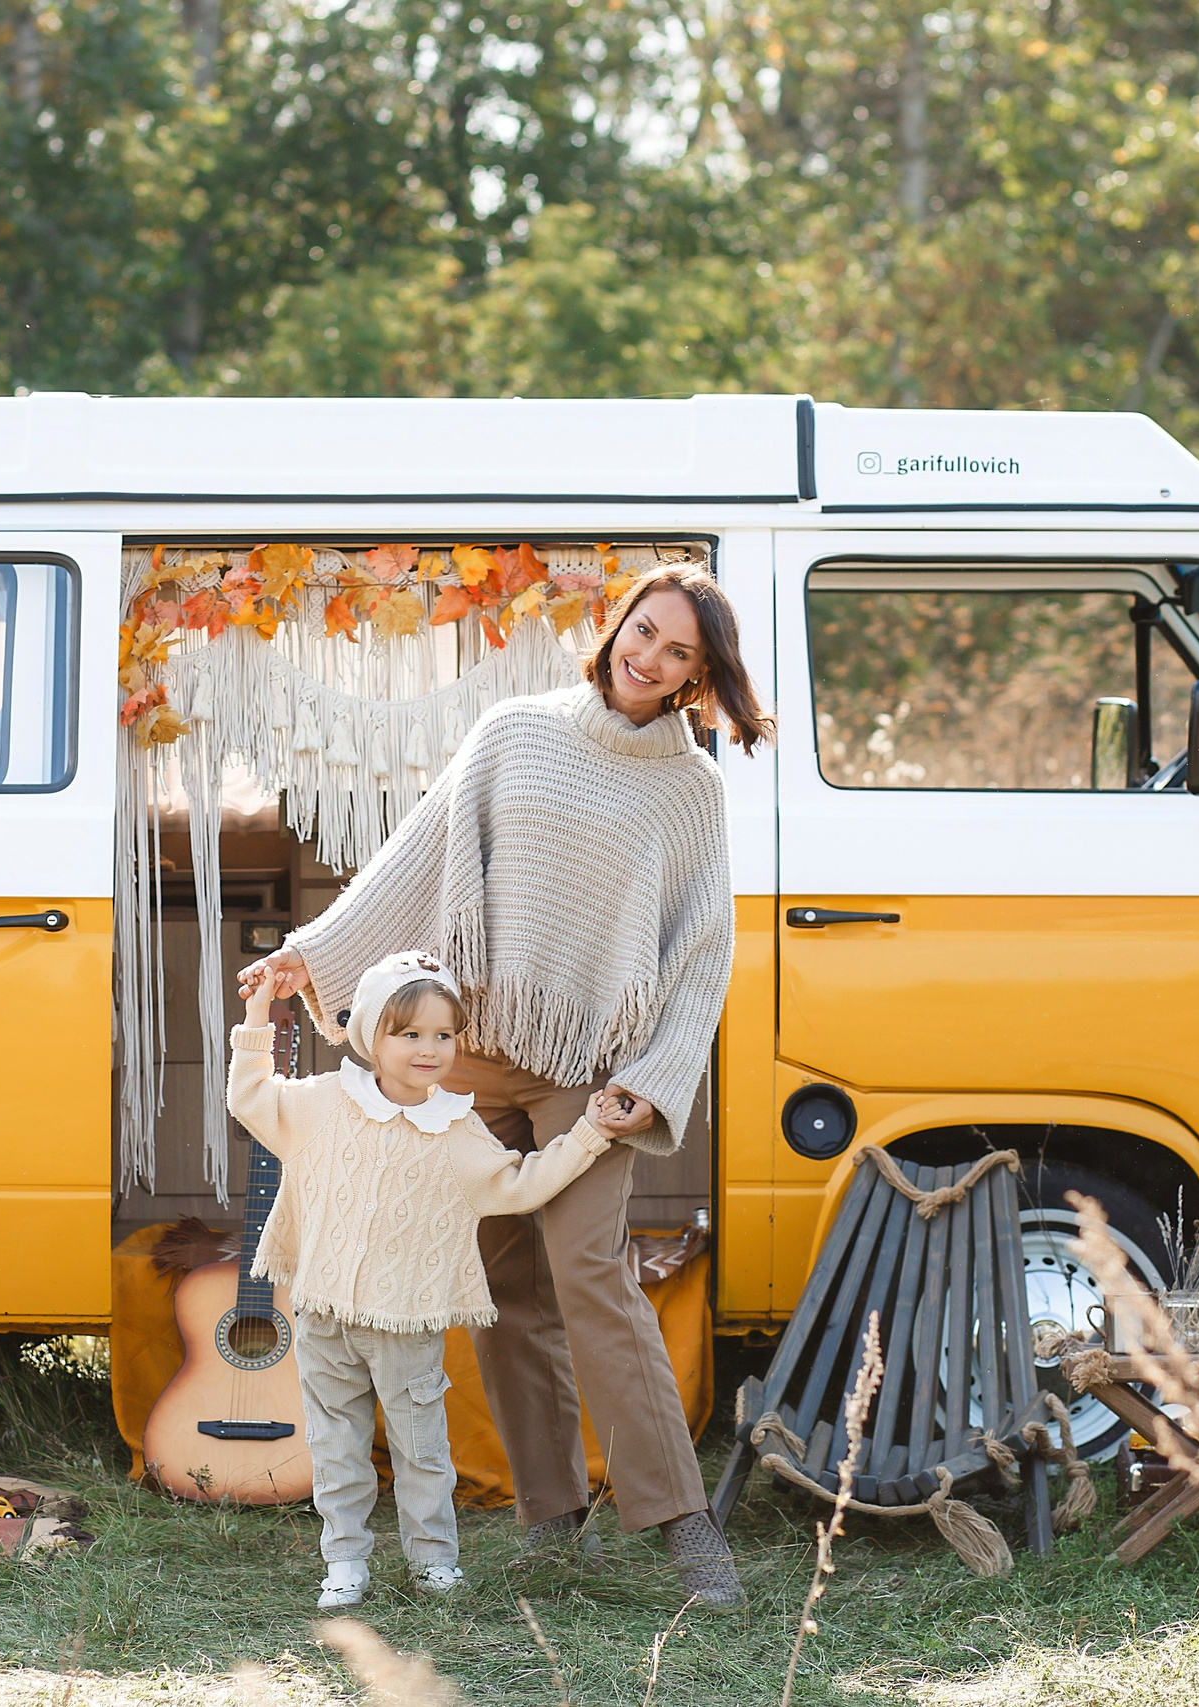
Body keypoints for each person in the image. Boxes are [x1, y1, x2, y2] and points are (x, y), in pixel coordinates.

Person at [239, 563, 773, 1607]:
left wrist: (657, 1077)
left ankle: (682, 1522)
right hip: (474, 1051)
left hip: (589, 1068)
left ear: (697, 676)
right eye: (644, 631)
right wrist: (315, 952)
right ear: (617, 624)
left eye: (678, 653)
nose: (650, 658)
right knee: (504, 1295)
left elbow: (702, 950)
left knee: (590, 1275)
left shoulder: (691, 789)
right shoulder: (516, 732)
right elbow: (418, 856)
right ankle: (550, 1520)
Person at [229, 949, 647, 1609]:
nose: (429, 1049)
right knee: (335, 1446)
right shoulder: (323, 1102)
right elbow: (250, 1096)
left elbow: (521, 1183)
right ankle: (345, 1560)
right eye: (409, 1033)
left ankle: (433, 1560)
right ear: (371, 1035)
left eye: (444, 1034)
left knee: (421, 1450)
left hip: (408, 1323)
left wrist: (589, 1133)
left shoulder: (456, 1128)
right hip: (323, 1316)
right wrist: (258, 1013)